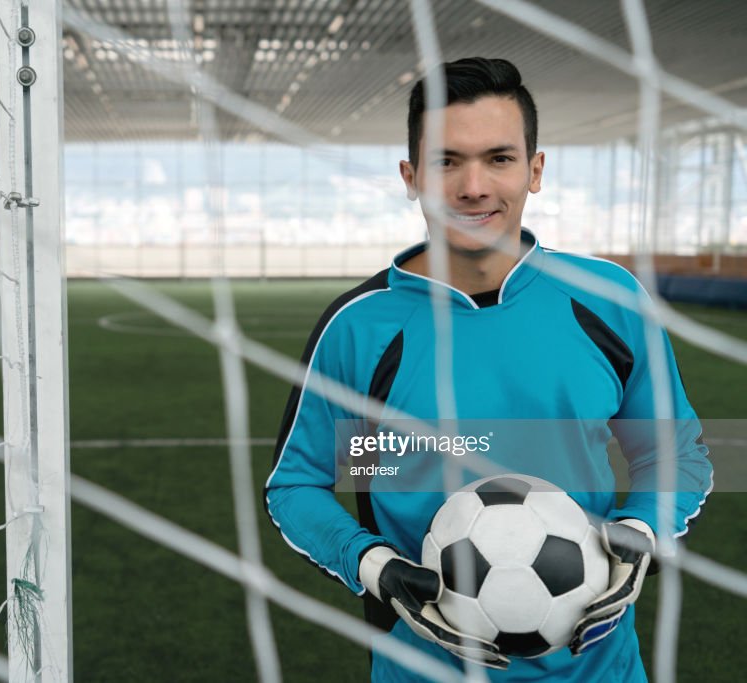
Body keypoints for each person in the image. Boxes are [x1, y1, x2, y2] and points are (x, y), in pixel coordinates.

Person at [263, 57, 713, 682]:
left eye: (499, 158)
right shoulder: (358, 329)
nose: (472, 187)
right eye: (447, 161)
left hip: (601, 669)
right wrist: (371, 566)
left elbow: (675, 451)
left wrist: (641, 530)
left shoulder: (609, 299)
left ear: (535, 170)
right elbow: (296, 484)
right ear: (411, 176)